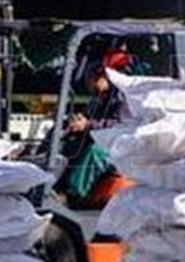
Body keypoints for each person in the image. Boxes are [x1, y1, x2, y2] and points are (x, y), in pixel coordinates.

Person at [56, 52, 132, 209]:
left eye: (93, 78)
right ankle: (56, 187)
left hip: (124, 146)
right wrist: (77, 121)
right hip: (111, 142)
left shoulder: (125, 98)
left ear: (106, 77)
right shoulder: (101, 98)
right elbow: (90, 117)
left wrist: (88, 124)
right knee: (71, 143)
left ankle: (74, 196)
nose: (89, 83)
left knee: (95, 152)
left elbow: (120, 125)